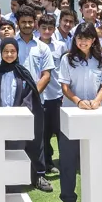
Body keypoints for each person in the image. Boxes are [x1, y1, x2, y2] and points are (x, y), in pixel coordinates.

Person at [56, 23, 102, 202]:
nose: (83, 42)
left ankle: (97, 198)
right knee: (69, 159)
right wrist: (79, 101)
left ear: (94, 40)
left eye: (87, 38)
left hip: (96, 113)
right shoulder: (67, 59)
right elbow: (65, 87)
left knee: (98, 158)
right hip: (72, 112)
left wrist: (97, 101)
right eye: (80, 38)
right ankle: (69, 198)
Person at [0, 38, 40, 191]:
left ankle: (14, 188)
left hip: (17, 123)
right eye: (6, 51)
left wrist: (17, 115)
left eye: (12, 51)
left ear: (17, 53)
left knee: (16, 155)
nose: (9, 55)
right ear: (1, 52)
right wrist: (0, 117)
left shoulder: (23, 73)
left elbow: (28, 98)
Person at [14, 7, 57, 192]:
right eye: (23, 22)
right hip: (13, 100)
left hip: (35, 99)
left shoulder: (42, 47)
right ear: (18, 23)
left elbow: (46, 75)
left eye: (30, 22)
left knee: (36, 139)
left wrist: (32, 94)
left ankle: (38, 176)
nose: (27, 25)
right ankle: (14, 177)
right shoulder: (10, 44)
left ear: (35, 24)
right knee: (14, 139)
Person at [35, 14, 67, 176]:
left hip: (56, 94)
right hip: (40, 95)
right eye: (43, 28)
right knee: (44, 132)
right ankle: (46, 162)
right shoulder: (35, 45)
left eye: (50, 28)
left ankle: (64, 161)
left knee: (59, 130)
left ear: (54, 29)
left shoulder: (61, 46)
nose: (47, 31)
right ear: (38, 28)